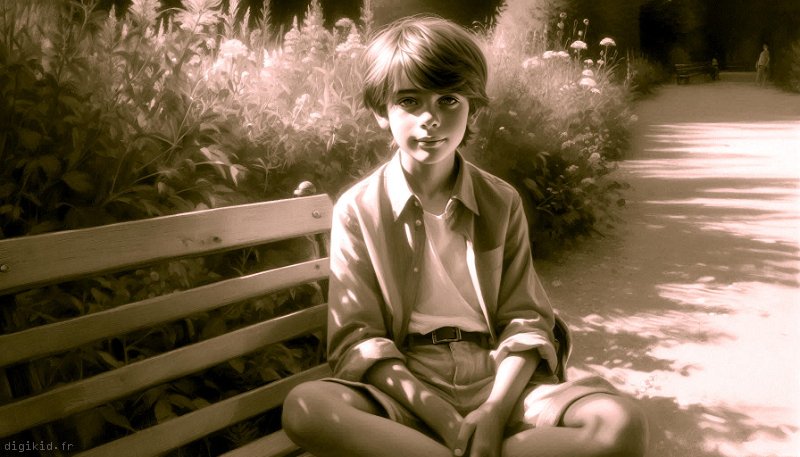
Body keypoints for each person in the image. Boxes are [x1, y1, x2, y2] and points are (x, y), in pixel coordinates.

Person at [282, 16, 648, 457]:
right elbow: (359, 341)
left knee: (620, 424)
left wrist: (493, 412)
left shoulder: (500, 201)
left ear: (472, 107)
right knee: (306, 407)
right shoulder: (358, 209)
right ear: (382, 111)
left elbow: (526, 321)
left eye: (449, 100)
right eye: (409, 101)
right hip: (406, 382)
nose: (430, 119)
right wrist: (446, 420)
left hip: (499, 375)